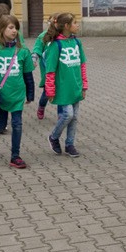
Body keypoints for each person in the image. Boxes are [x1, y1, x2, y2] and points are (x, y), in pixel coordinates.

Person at [0, 12, 35, 168]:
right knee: (1, 125)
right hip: (1, 95)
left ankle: (15, 156)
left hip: (17, 95)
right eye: (11, 27)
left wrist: (30, 93)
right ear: (2, 29)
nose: (14, 31)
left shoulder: (22, 51)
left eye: (16, 28)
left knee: (17, 124)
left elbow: (28, 75)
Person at [44, 12, 87, 158]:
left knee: (74, 117)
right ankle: (53, 137)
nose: (77, 25)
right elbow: (50, 70)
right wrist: (50, 90)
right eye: (75, 23)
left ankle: (70, 145)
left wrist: (84, 85)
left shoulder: (76, 42)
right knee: (67, 115)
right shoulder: (56, 45)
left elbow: (82, 65)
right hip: (62, 89)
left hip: (75, 86)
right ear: (67, 26)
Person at [32, 13, 58, 120]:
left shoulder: (61, 37)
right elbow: (37, 49)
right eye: (52, 21)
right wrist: (34, 58)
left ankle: (62, 114)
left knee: (62, 93)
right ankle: (41, 106)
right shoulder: (43, 36)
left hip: (61, 70)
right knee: (47, 93)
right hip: (48, 70)